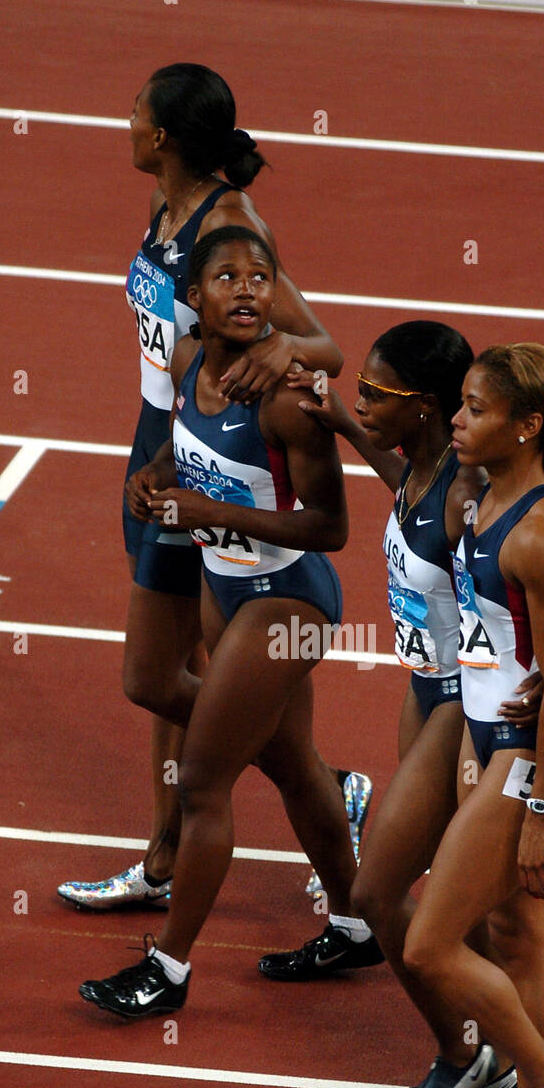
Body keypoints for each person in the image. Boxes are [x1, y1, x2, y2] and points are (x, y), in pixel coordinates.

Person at [56, 63, 370, 914]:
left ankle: (319, 781)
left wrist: (281, 354)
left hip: (205, 458)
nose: (124, 120)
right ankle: (165, 856)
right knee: (182, 665)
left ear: (161, 135)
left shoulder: (227, 223)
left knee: (152, 678)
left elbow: (322, 343)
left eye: (133, 111)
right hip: (156, 444)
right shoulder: (165, 206)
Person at [79, 227, 375, 1018]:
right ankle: (357, 921)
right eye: (227, 277)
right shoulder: (186, 366)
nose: (246, 289)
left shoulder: (285, 399)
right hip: (226, 587)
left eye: (260, 277)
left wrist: (205, 509)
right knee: (295, 767)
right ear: (197, 300)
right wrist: (154, 477)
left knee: (204, 779)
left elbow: (329, 529)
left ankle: (166, 971)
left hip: (290, 602)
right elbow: (186, 451)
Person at [258, 324, 543, 1088]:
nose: (361, 399)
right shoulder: (425, 470)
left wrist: (531, 681)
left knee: (379, 893)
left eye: (374, 395)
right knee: (466, 899)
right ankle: (493, 1044)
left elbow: (518, 583)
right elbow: (403, 496)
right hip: (422, 693)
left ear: (424, 407)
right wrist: (348, 429)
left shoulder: (464, 493)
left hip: (459, 707)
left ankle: (470, 1057)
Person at [397, 342, 544, 1088]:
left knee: (430, 945)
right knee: (518, 932)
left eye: (476, 410)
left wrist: (542, 818)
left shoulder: (541, 529)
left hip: (536, 758)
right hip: (493, 741)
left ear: (527, 428)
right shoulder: (485, 498)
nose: (456, 419)